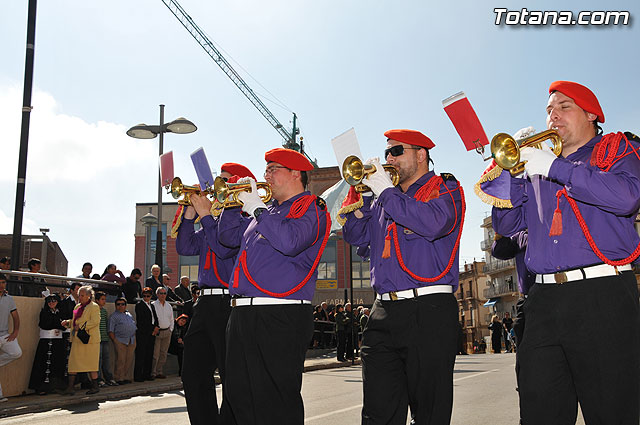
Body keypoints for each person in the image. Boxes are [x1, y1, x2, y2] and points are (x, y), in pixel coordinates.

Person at [492, 80, 640, 424]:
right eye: (548, 110)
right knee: (539, 410)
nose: (553, 117)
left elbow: (627, 197)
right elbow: (508, 222)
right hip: (543, 298)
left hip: (602, 294)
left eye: (564, 107)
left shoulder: (616, 148)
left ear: (591, 113)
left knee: (613, 411)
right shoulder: (539, 165)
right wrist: (513, 174)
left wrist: (555, 168)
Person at [340, 129, 464, 424]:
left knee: (429, 411)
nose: (389, 159)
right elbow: (355, 236)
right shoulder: (385, 197)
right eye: (387, 153)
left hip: (428, 309)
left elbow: (434, 223)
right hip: (383, 311)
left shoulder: (443, 187)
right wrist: (365, 198)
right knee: (377, 412)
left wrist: (385, 192)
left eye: (397, 152)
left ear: (421, 155)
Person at [217, 148, 330, 424]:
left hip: (280, 314)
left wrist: (257, 207)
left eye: (272, 169)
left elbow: (290, 242)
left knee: (276, 403)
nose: (265, 175)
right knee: (237, 398)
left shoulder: (311, 207)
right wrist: (233, 203)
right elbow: (226, 239)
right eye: (265, 169)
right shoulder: (266, 212)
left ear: (295, 173)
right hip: (243, 313)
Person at [174, 161, 255, 425]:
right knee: (193, 373)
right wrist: (189, 212)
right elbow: (185, 247)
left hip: (229, 303)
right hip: (204, 304)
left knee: (231, 376)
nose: (219, 187)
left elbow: (224, 248)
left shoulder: (244, 223)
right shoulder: (212, 222)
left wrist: (206, 216)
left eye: (226, 181)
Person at [63, 285, 101, 395]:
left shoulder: (94, 307)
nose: (80, 297)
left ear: (89, 296)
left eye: (83, 295)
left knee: (92, 364)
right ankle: (70, 387)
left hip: (90, 340)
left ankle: (95, 386)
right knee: (73, 363)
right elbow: (75, 321)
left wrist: (81, 326)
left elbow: (95, 321)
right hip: (77, 339)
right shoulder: (77, 307)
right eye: (79, 295)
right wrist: (68, 322)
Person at [29, 294, 66, 395]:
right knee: (43, 363)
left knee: (55, 364)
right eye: (49, 301)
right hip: (46, 341)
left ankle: (53, 386)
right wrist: (58, 324)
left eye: (54, 301)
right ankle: (40, 387)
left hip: (57, 341)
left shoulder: (60, 312)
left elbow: (64, 324)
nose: (51, 303)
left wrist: (59, 324)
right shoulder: (44, 312)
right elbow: (45, 324)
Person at [0, 273, 22, 402]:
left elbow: (15, 317)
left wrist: (15, 331)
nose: (1, 285)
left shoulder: (9, 299)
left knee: (17, 353)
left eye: (3, 282)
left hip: (5, 335)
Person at [108, 297, 136, 385]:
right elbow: (110, 330)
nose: (120, 306)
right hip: (120, 341)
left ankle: (125, 377)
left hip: (131, 340)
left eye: (122, 304)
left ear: (125, 305)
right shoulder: (113, 316)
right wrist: (115, 341)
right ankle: (118, 378)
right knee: (120, 360)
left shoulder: (129, 314)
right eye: (118, 304)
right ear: (115, 306)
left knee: (129, 360)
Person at [134, 287, 159, 382]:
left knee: (149, 354)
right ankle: (138, 376)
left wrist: (156, 327)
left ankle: (147, 374)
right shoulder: (139, 305)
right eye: (144, 296)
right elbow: (141, 321)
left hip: (152, 333)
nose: (146, 297)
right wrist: (151, 329)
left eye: (148, 296)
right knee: (141, 354)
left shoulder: (152, 305)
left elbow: (155, 317)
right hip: (143, 333)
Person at [95, 291, 117, 386]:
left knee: (106, 359)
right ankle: (98, 379)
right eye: (102, 299)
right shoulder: (94, 310)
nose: (104, 301)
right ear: (97, 300)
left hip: (105, 338)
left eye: (105, 299)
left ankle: (109, 378)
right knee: (98, 360)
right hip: (97, 339)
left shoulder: (104, 311)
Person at [151, 287, 173, 379]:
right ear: (157, 294)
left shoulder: (169, 306)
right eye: (161, 293)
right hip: (157, 332)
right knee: (155, 354)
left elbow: (171, 319)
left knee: (163, 353)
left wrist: (170, 329)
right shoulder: (153, 305)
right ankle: (153, 372)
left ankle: (159, 371)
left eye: (164, 293)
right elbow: (152, 318)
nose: (163, 295)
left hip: (167, 332)